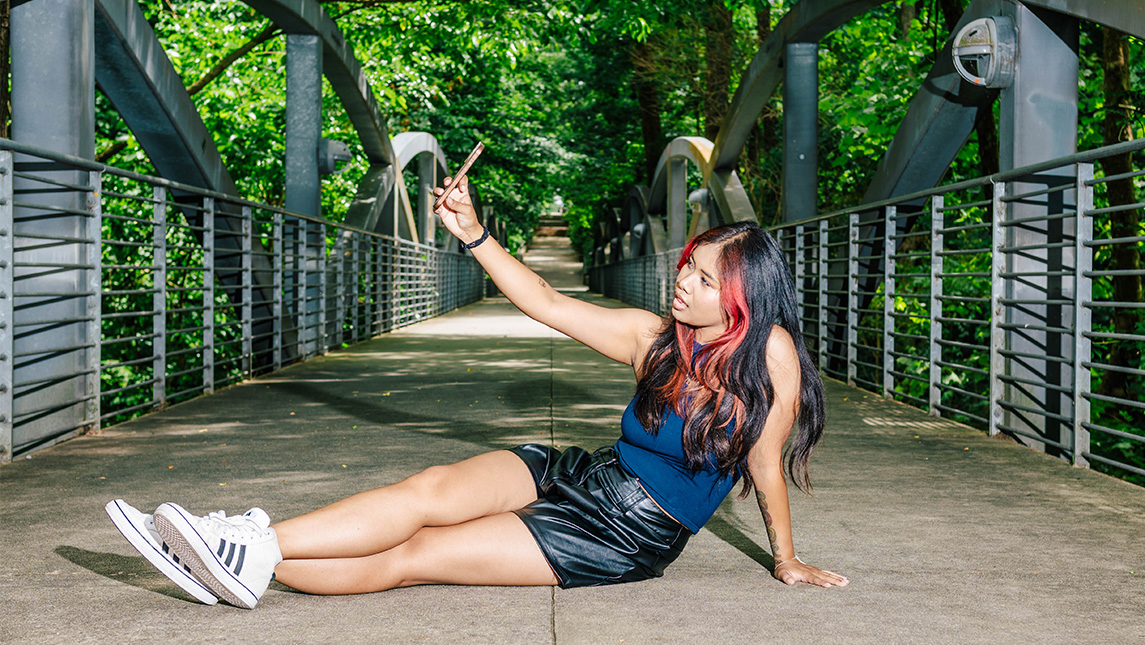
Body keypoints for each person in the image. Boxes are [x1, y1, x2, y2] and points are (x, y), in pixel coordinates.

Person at [106, 175, 849, 609]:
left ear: (741, 296)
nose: (682, 280)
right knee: (429, 488)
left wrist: (785, 558)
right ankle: (245, 548)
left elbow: (763, 464)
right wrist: (471, 231)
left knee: (417, 554)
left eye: (702, 277)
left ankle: (240, 556)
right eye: (686, 264)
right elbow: (543, 301)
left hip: (625, 533)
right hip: (592, 472)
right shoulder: (654, 338)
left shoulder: (769, 356)